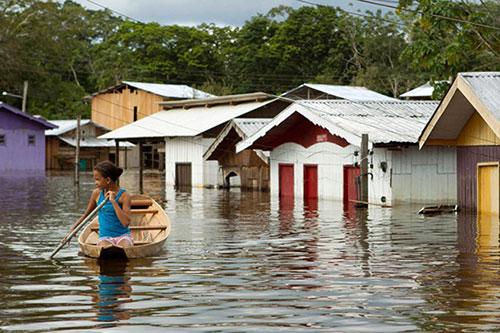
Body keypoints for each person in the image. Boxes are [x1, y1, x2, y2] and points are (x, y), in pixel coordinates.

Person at [63, 161, 133, 248]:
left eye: (97, 179)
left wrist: (113, 202)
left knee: (122, 249)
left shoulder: (124, 196)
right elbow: (86, 215)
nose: (95, 183)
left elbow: (126, 223)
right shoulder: (96, 194)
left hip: (123, 236)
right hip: (105, 238)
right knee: (106, 250)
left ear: (108, 180)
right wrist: (72, 231)